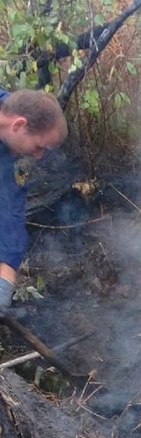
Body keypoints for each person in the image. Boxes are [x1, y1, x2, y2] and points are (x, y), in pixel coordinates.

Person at [0, 89, 68, 310]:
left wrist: (3, 287)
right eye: (39, 147)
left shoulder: (13, 156)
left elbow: (11, 214)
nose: (39, 156)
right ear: (18, 125)